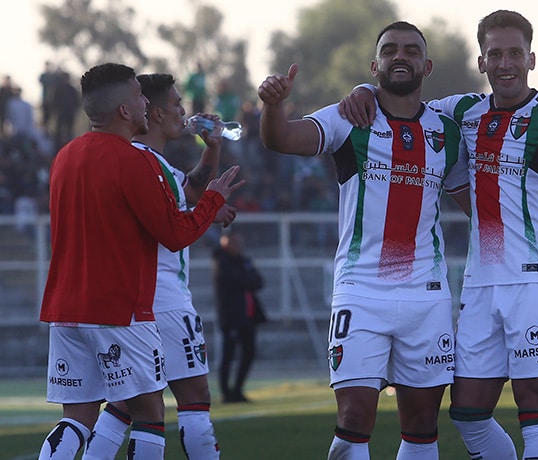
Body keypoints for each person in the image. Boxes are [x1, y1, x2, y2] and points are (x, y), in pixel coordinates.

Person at [340, 10, 538, 459]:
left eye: (514, 53)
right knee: (468, 410)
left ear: (531, 59)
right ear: (482, 62)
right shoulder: (461, 111)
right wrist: (364, 89)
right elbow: (403, 99)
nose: (505, 63)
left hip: (536, 278)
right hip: (481, 282)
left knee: (534, 404)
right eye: (495, 54)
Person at [258, 21, 471, 459]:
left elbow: (477, 202)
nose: (401, 56)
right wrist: (273, 107)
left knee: (421, 422)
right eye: (390, 49)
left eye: (411, 50)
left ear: (426, 66)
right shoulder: (349, 117)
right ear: (375, 65)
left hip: (425, 296)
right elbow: (281, 138)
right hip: (361, 290)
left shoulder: (447, 134)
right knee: (354, 417)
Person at [37, 62, 243, 460]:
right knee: (149, 414)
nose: (145, 102)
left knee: (76, 419)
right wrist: (213, 200)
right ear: (125, 111)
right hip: (122, 307)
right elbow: (174, 234)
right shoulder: (137, 161)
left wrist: (204, 203)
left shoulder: (65, 156)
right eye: (138, 95)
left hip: (66, 308)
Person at [212, 230, 265, 403]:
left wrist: (246, 279)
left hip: (248, 316)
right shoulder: (222, 261)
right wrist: (246, 279)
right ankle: (226, 393)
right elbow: (241, 280)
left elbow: (258, 282)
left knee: (249, 353)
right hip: (230, 317)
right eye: (233, 243)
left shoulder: (244, 261)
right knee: (228, 355)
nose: (237, 247)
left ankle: (237, 390)